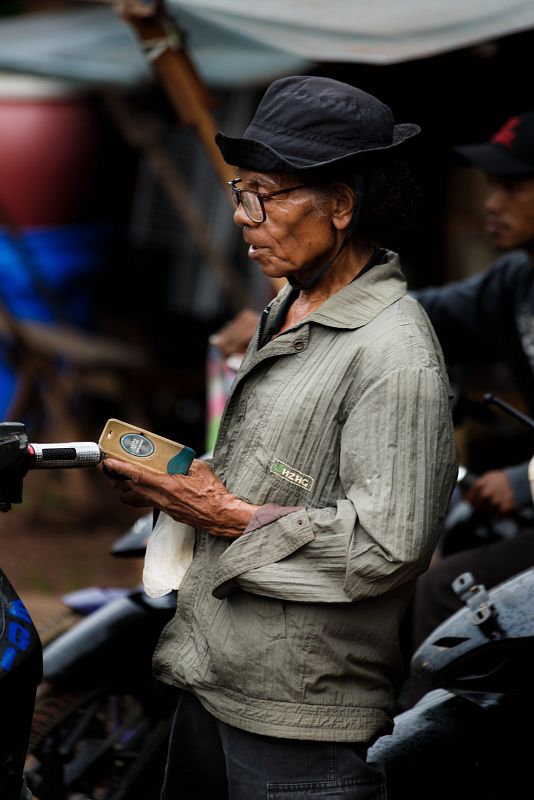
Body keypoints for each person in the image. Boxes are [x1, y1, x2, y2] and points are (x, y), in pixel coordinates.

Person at [103, 75, 457, 800]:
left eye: (266, 193)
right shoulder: (291, 307)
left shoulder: (394, 353)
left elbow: (389, 543)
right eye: (242, 190)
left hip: (298, 712)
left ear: (342, 206)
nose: (243, 215)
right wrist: (184, 486)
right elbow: (279, 472)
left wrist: (225, 517)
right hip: (217, 670)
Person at [409, 112, 534, 650]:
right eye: (489, 186)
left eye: (511, 187)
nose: (491, 203)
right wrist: (313, 310)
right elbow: (426, 315)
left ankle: (404, 736)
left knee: (444, 593)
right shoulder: (517, 279)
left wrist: (527, 482)